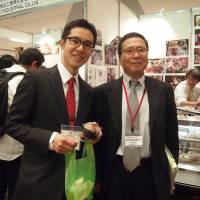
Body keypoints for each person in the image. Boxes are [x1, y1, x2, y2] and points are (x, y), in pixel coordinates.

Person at [5, 19, 100, 200]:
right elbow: (13, 124)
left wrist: (92, 132)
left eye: (87, 44)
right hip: (40, 182)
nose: (80, 48)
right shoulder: (36, 78)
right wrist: (51, 139)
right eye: (75, 41)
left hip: (76, 183)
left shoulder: (89, 91)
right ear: (62, 43)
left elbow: (82, 127)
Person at [94, 32, 179, 200]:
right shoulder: (103, 93)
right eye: (129, 50)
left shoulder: (163, 90)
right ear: (119, 57)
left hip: (151, 172)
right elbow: (99, 142)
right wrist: (97, 177)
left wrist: (171, 173)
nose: (136, 55)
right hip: (115, 172)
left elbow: (172, 136)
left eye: (141, 50)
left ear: (147, 54)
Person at [0, 48, 44, 200]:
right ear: (34, 64)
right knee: (15, 190)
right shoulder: (25, 80)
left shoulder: (2, 73)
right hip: (15, 149)